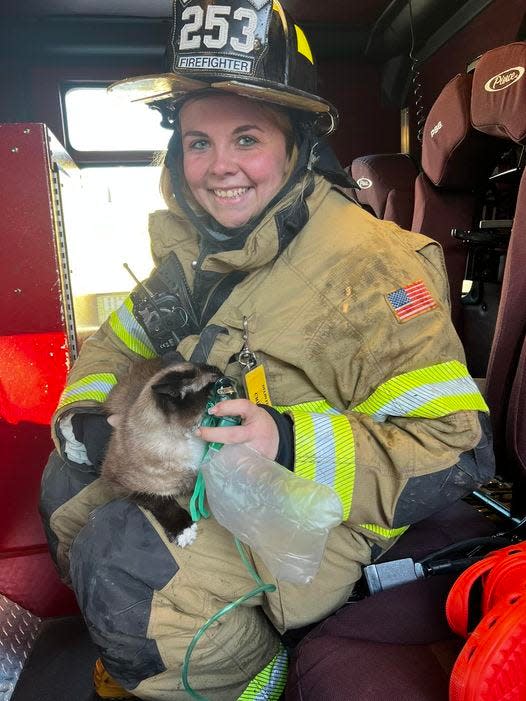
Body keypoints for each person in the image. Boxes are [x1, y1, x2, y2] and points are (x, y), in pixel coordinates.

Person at [39, 1, 495, 699]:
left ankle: (249, 668)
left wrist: (284, 439)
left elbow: (459, 448)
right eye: (198, 142)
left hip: (317, 505)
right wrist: (87, 417)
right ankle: (152, 649)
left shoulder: (376, 269)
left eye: (245, 138)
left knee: (129, 572)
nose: (218, 167)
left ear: (297, 144)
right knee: (65, 487)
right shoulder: (194, 254)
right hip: (208, 469)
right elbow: (116, 342)